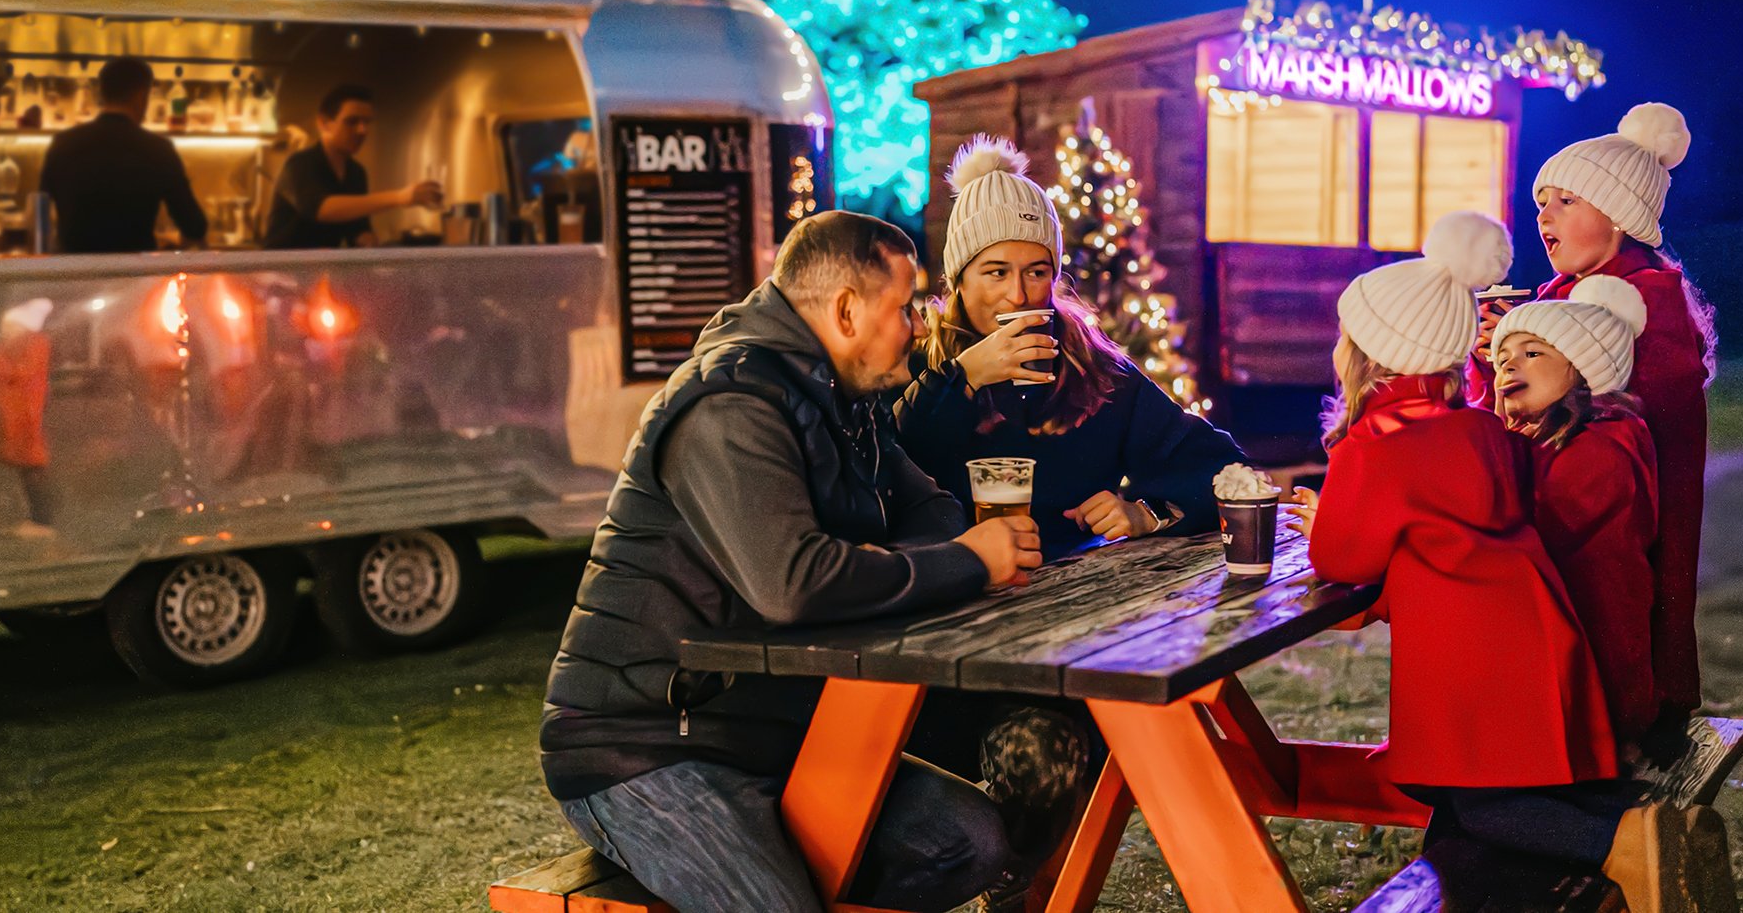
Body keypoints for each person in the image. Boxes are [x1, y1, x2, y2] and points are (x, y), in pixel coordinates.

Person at [540, 210, 1043, 913]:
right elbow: (794, 583)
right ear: (844, 310)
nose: (920, 325)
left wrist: (876, 562)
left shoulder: (847, 397)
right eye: (904, 306)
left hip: (776, 730)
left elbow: (934, 508)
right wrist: (963, 564)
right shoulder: (729, 404)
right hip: (647, 744)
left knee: (970, 841)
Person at [1290, 211, 1734, 910]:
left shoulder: (1373, 446)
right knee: (1464, 809)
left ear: (1369, 355)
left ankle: (1626, 843)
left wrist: (1326, 520)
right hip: (1539, 642)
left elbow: (1341, 554)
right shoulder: (1480, 428)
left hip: (1475, 670)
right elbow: (1446, 536)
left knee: (1484, 807)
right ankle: (1517, 866)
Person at [1473, 102, 1714, 755]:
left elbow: (1635, 418)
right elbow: (1507, 408)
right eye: (1541, 201)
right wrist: (1488, 355)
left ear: (1620, 215)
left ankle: (1645, 708)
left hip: (1612, 514)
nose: (1543, 215)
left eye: (1565, 199)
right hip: (1558, 507)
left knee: (1618, 608)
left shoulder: (1650, 299)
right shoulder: (1558, 295)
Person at [894, 136, 1243, 560]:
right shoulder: (910, 359)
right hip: (945, 598)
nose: (1018, 295)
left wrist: (1146, 514)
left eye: (1036, 271)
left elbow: (1224, 472)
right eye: (996, 272)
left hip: (1076, 598)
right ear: (959, 281)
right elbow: (885, 462)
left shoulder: (1093, 370)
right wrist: (964, 377)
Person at [1491, 278, 1661, 755]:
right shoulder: (1544, 446)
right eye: (1502, 357)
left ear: (1585, 372)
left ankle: (1629, 831)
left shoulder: (1603, 451)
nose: (1507, 363)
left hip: (1597, 687)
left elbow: (1520, 525)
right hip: (1565, 679)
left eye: (1532, 353)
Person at [39, 57, 207, 253]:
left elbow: (40, 214)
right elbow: (195, 226)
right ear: (142, 96)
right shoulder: (158, 149)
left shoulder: (62, 143)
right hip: (134, 277)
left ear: (102, 93)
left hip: (73, 276)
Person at [262, 83, 440, 249]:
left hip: (320, 276)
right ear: (324, 123)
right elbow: (320, 209)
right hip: (280, 273)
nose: (363, 130)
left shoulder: (356, 173)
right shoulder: (299, 164)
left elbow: (357, 231)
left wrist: (369, 240)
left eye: (366, 122)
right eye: (352, 121)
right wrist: (400, 197)